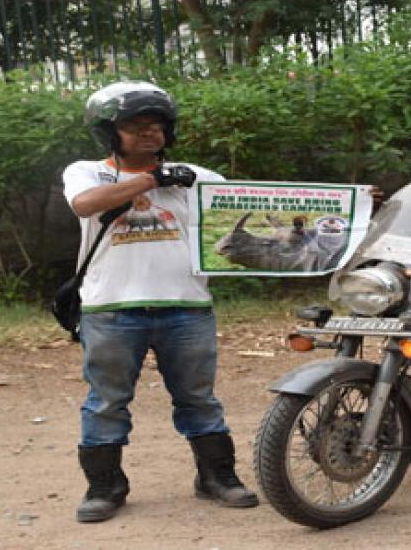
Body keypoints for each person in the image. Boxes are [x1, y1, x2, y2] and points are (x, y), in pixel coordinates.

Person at [62, 81, 258, 523]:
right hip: (111, 308)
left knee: (198, 398)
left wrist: (354, 207)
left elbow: (252, 207)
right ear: (110, 132)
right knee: (107, 400)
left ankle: (217, 476)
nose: (150, 133)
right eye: (136, 126)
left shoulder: (198, 177)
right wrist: (153, 179)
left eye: (157, 125)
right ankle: (104, 485)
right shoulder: (88, 171)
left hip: (186, 306)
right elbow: (85, 205)